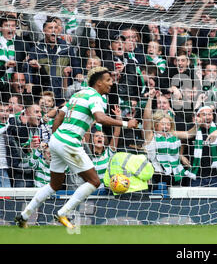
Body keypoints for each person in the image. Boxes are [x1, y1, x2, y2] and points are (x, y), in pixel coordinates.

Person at [15, 66, 139, 229]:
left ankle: (24, 216)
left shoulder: (79, 93)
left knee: (54, 184)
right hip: (69, 142)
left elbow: (60, 114)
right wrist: (125, 123)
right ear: (99, 82)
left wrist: (54, 137)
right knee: (94, 181)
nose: (111, 83)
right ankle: (63, 213)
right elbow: (100, 118)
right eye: (108, 80)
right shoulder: (96, 97)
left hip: (57, 140)